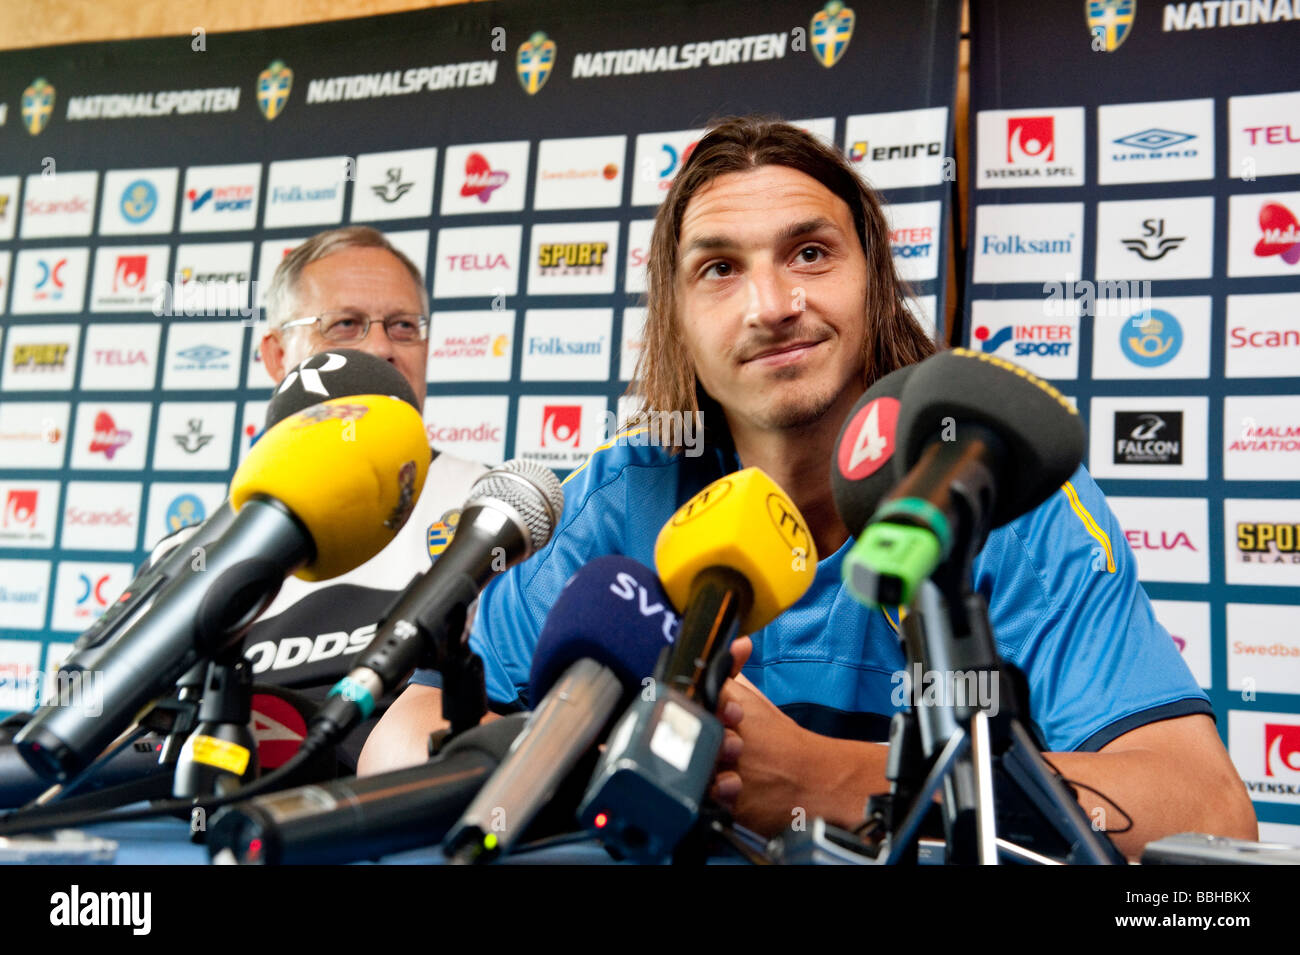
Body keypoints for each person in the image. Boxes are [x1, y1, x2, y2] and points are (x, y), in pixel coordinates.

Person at [359, 119, 1256, 858]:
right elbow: (401, 742)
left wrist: (821, 778)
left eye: (811, 253)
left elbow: (1207, 810)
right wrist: (576, 750)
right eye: (720, 268)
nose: (772, 303)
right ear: (676, 320)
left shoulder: (998, 496)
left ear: (873, 284)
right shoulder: (622, 498)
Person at [163, 226, 486, 770]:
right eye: (346, 325)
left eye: (404, 326)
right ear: (276, 356)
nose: (382, 347)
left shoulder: (496, 512)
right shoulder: (192, 552)